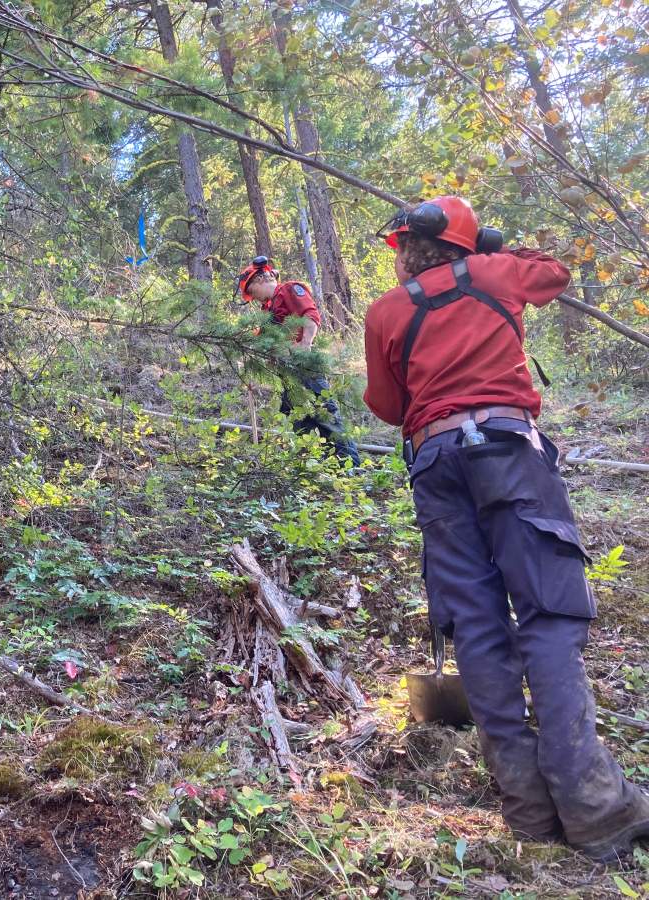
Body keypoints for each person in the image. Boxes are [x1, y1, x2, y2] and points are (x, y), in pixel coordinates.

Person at [363, 194, 649, 861]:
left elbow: (384, 405)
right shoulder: (494, 273)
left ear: (407, 248)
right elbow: (553, 273)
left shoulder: (386, 310)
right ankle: (593, 804)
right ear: (470, 244)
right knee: (547, 612)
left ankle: (526, 808)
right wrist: (496, 251)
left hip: (435, 463)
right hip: (509, 451)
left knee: (477, 624)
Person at [237, 255, 361, 465]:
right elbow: (264, 346)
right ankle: (319, 468)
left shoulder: (289, 290)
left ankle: (351, 468)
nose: (253, 297)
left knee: (326, 417)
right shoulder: (267, 310)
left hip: (304, 368)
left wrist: (305, 345)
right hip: (287, 375)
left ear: (259, 280)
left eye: (252, 292)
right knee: (300, 422)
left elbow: (310, 315)